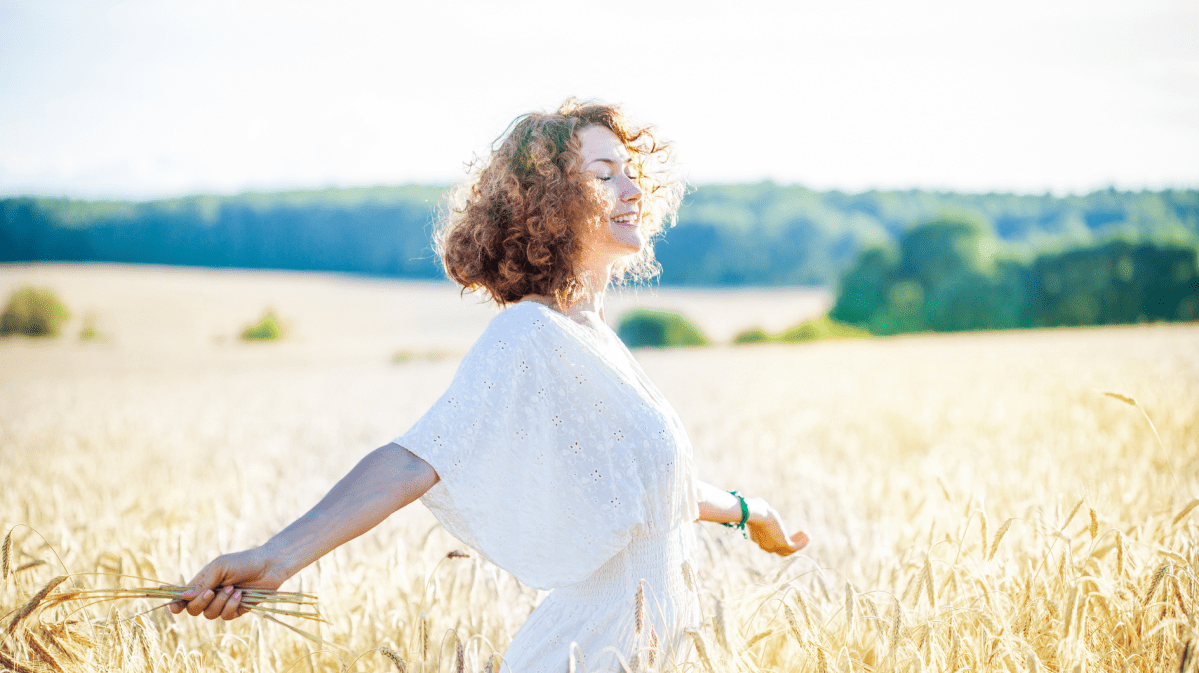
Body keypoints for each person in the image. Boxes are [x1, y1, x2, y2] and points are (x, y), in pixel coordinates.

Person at [170, 99, 809, 672]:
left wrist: (752, 512)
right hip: (588, 655)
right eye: (602, 174)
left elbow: (650, 491)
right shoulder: (528, 335)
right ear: (546, 207)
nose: (631, 188)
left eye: (630, 170)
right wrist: (277, 558)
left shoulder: (591, 338)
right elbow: (415, 460)